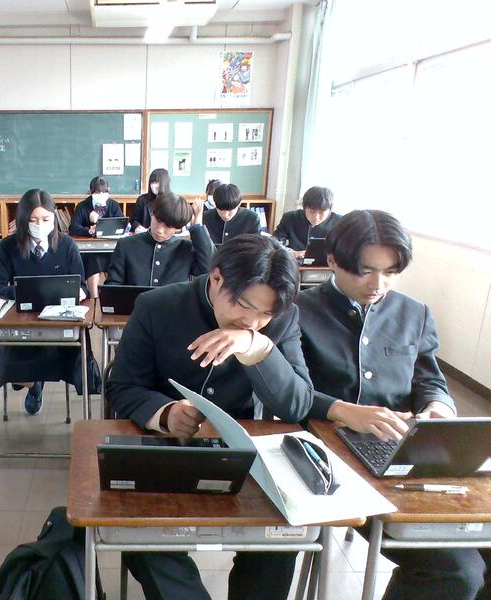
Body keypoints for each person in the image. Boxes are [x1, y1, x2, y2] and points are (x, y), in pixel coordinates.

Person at [296, 209, 490, 600]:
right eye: (365, 271)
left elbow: (429, 379)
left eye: (390, 272)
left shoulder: (413, 312)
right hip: (333, 460)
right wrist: (342, 410)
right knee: (457, 573)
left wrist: (437, 407)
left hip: (406, 450)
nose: (378, 284)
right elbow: (290, 394)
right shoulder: (298, 311)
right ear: (332, 259)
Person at [107, 234, 313, 600]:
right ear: (217, 278)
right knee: (143, 535)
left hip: (243, 456)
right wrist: (165, 414)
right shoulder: (157, 305)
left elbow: (297, 405)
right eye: (244, 305)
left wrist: (258, 348)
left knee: (282, 538)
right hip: (168, 450)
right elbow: (122, 386)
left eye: (265, 314)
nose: (252, 321)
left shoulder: (281, 322)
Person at [0, 189, 88, 416]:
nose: (39, 225)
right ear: (23, 220)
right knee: (13, 363)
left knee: (68, 353)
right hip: (19, 321)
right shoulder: (8, 247)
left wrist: (77, 293)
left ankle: (37, 381)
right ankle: (33, 383)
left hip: (56, 322)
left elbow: (82, 286)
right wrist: (25, 293)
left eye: (45, 219)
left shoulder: (67, 245)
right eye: (32, 220)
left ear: (54, 218)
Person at [106, 192, 214, 287]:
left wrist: (197, 227)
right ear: (152, 214)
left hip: (174, 304)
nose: (160, 230)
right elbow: (113, 285)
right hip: (134, 304)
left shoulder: (186, 249)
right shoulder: (126, 245)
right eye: (158, 221)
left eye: (168, 226)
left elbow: (210, 269)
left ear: (178, 228)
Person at [68, 176, 124, 298]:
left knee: (116, 261)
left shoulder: (113, 205)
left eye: (104, 192)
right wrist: (89, 231)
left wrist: (100, 224)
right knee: (93, 261)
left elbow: (121, 224)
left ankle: (111, 297)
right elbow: (73, 228)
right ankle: (94, 298)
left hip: (110, 248)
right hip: (90, 250)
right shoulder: (82, 206)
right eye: (98, 192)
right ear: (91, 192)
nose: (101, 195)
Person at [273, 185, 341, 256]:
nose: (316, 217)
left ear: (330, 210)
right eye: (312, 212)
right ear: (304, 207)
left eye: (321, 213)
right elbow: (274, 243)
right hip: (294, 260)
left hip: (327, 262)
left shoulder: (339, 222)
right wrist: (291, 253)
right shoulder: (290, 218)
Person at [130, 168, 171, 232]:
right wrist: (137, 227)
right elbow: (133, 220)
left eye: (157, 182)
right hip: (146, 235)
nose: (154, 186)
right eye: (152, 182)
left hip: (167, 236)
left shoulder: (174, 201)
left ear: (165, 184)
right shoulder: (142, 200)